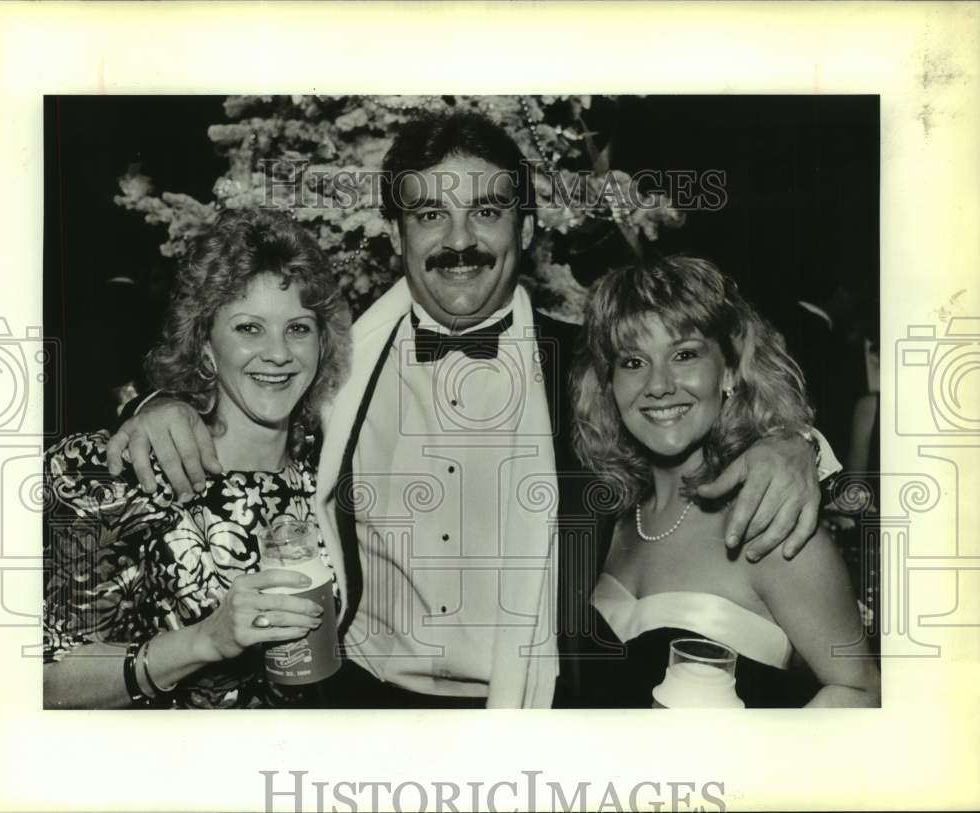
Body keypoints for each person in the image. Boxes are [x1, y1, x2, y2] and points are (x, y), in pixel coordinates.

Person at [104, 110, 833, 708]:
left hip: (535, 712)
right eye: (429, 215)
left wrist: (792, 442)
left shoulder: (591, 367)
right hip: (361, 702)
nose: (459, 240)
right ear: (397, 234)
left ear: (524, 229)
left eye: (486, 211)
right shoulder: (336, 367)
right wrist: (162, 400)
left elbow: (697, 392)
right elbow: (240, 376)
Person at [43, 208, 352, 708]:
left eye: (298, 328)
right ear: (205, 345)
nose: (278, 353)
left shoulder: (330, 470)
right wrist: (203, 642)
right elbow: (42, 681)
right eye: (249, 328)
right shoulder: (119, 473)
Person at [570, 258, 880, 707]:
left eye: (685, 355)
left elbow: (860, 691)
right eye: (633, 361)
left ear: (730, 371)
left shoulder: (769, 520)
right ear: (609, 386)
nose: (658, 385)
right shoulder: (609, 518)